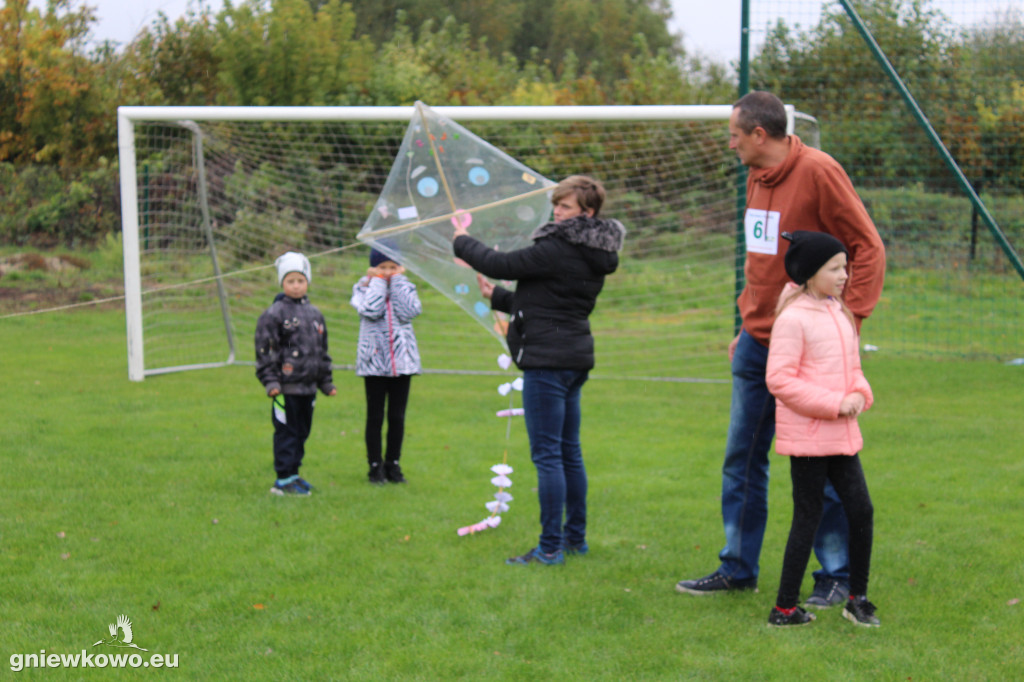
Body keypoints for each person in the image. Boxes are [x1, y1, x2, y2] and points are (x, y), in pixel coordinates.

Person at [676, 91, 886, 606]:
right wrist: (745, 319)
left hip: (813, 352)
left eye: (733, 135)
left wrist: (849, 319)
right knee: (741, 460)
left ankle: (835, 575)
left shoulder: (819, 171)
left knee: (825, 465)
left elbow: (869, 247)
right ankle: (737, 568)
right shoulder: (755, 175)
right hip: (755, 344)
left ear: (759, 135)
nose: (729, 144)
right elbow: (762, 256)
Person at [453, 175, 626, 566]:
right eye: (556, 205)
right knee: (568, 453)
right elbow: (550, 299)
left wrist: (461, 241)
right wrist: (497, 296)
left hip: (548, 363)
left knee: (548, 456)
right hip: (572, 358)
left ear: (588, 212)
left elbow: (499, 263)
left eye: (564, 207)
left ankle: (549, 548)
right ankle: (574, 540)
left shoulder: (558, 245)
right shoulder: (591, 250)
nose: (557, 212)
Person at [766, 231, 878, 627]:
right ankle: (783, 609)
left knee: (861, 511)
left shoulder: (838, 311)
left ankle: (857, 599)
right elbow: (779, 379)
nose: (844, 275)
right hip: (811, 439)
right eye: (835, 268)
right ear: (811, 272)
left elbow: (852, 369)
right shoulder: (793, 318)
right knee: (808, 516)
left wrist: (861, 392)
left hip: (842, 435)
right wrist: (833, 405)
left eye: (845, 267)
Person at [255, 251, 337, 495]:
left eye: (300, 280)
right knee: (286, 431)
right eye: (290, 281)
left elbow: (320, 351)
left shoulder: (315, 315)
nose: (296, 286)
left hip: (307, 388)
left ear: (307, 282)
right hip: (284, 388)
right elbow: (266, 349)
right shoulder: (274, 314)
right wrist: (271, 381)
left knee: (302, 432)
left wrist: (326, 381)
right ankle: (282, 480)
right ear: (282, 283)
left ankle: (294, 474)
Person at [350, 248, 422, 484]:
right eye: (382, 268)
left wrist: (399, 282)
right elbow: (371, 310)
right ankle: (374, 466)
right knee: (375, 416)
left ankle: (393, 464)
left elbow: (410, 311)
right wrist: (378, 283)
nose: (388, 272)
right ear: (373, 268)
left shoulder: (405, 287)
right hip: (374, 364)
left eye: (393, 268)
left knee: (397, 417)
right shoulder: (362, 288)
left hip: (403, 364)